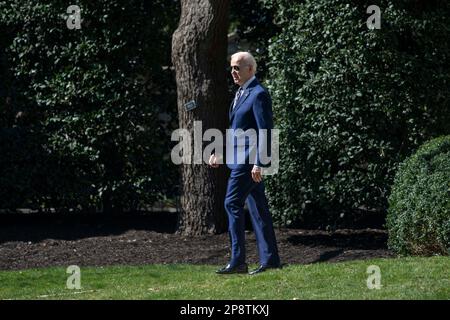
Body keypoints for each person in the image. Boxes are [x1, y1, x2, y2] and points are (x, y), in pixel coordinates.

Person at [209, 52, 281, 275]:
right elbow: (237, 133)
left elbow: (265, 131)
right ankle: (270, 260)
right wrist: (221, 154)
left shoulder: (258, 94)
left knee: (231, 204)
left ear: (251, 69)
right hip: (240, 160)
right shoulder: (241, 93)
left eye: (237, 68)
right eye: (232, 68)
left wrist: (259, 162)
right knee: (259, 210)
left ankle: (238, 260)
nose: (233, 72)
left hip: (248, 164)